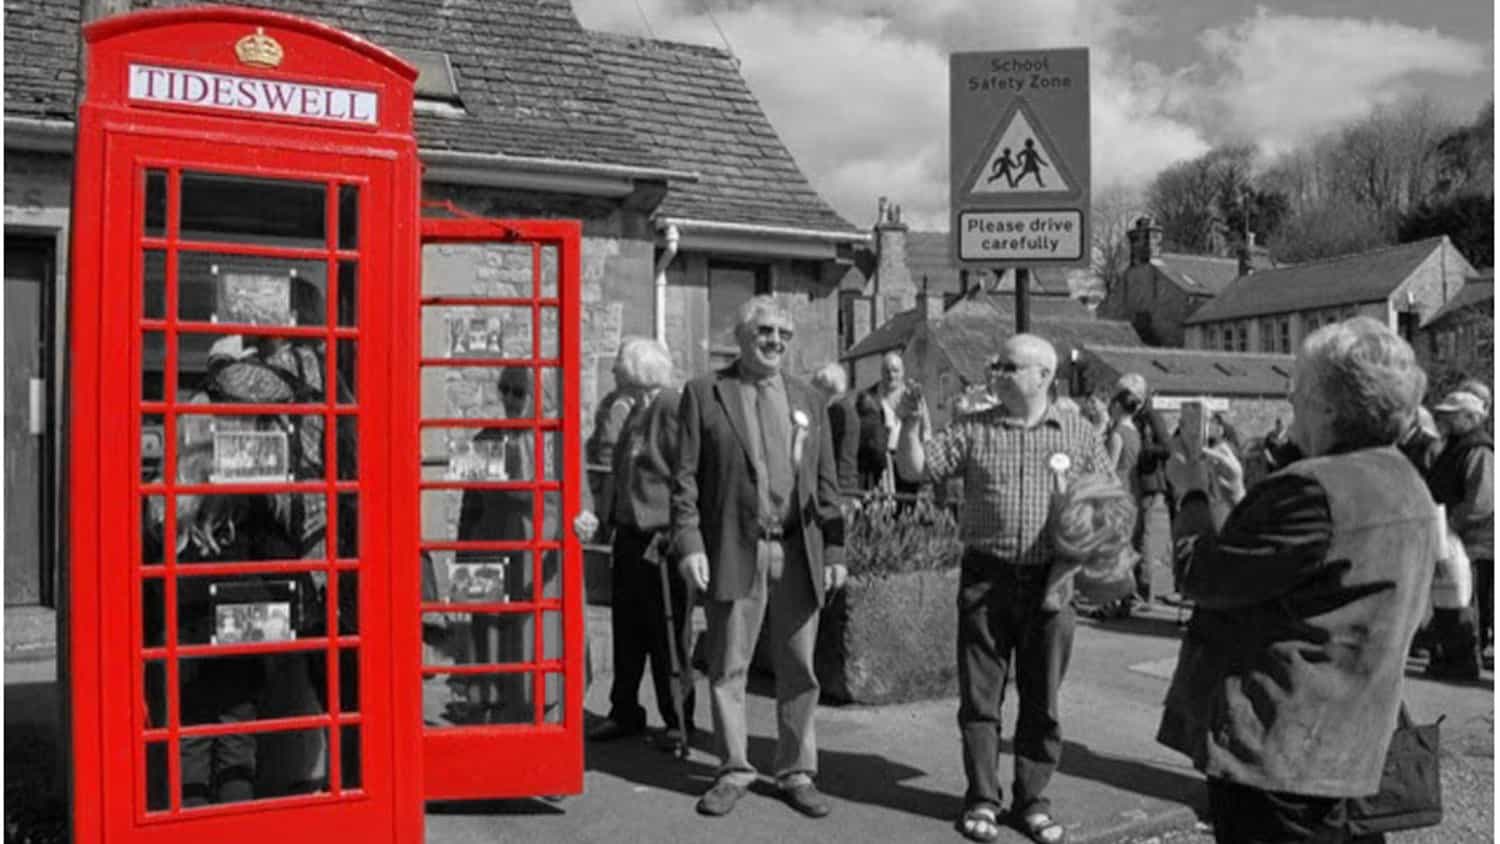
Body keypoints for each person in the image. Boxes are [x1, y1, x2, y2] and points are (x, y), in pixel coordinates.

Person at [1158, 317, 1442, 844]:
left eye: (1299, 392)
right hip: (1351, 743)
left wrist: (1191, 493)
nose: (1291, 403)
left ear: (1330, 407)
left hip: (1283, 748)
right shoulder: (1405, 482)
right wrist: (1246, 500)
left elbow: (1200, 575)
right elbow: (1324, 574)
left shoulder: (1312, 486)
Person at [893, 334, 1107, 844]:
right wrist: (907, 422)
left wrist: (1072, 565)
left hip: (1051, 581)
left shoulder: (1077, 434)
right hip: (987, 578)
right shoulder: (974, 429)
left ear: (1043, 376)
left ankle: (1032, 800)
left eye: (1009, 366)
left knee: (1042, 699)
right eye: (997, 365)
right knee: (980, 699)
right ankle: (982, 800)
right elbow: (914, 469)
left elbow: (1106, 508)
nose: (997, 373)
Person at [670, 295, 848, 819]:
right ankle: (734, 769)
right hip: (734, 547)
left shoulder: (810, 400)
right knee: (728, 666)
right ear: (742, 335)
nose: (775, 342)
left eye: (783, 335)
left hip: (797, 549)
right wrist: (689, 543)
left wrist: (836, 548)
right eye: (765, 331)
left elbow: (829, 483)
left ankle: (796, 770)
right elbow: (682, 480)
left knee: (799, 669)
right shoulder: (705, 394)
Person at [574, 338, 697, 747]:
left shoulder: (668, 405)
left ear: (639, 370)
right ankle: (624, 711)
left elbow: (684, 471)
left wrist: (675, 529)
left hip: (658, 537)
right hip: (628, 537)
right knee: (627, 630)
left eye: (619, 367)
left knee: (667, 636)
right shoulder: (634, 409)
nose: (613, 373)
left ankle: (678, 720)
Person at [454, 366, 561, 723]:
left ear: (541, 397)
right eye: (506, 390)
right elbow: (468, 505)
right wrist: (462, 560)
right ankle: (488, 698)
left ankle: (539, 701)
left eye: (520, 392)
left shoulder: (554, 441)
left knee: (535, 631)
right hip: (491, 543)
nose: (510, 400)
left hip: (538, 551)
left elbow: (574, 498)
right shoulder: (486, 439)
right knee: (489, 629)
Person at [1424, 384, 1493, 680]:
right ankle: (1452, 657)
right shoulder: (1457, 448)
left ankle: (1465, 661)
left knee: (1467, 602)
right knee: (1451, 599)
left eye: (1453, 416)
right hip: (1455, 538)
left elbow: (1482, 500)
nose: (1447, 421)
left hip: (1474, 542)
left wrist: (1451, 523)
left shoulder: (1477, 450)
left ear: (1470, 417)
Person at [1114, 374, 1173, 607]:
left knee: (1144, 538)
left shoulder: (1150, 416)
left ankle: (1143, 589)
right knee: (1137, 536)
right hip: (1139, 482)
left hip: (1151, 482)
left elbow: (1167, 447)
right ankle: (1136, 589)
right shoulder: (1136, 417)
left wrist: (1145, 452)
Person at [585, 341, 642, 542]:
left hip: (613, 485)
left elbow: (608, 445)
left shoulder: (623, 404)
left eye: (619, 361)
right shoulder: (614, 401)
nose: (613, 369)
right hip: (607, 483)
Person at [859, 352, 927, 496]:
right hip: (878, 461)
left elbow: (926, 429)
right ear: (881, 373)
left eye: (895, 370)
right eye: (887, 371)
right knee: (881, 504)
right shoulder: (869, 397)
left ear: (903, 372)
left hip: (907, 458)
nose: (891, 375)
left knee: (908, 502)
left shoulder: (912, 396)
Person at [812, 362, 862, 494]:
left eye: (816, 386)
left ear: (827, 387)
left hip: (839, 487)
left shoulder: (839, 412)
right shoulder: (841, 408)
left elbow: (842, 459)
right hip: (840, 485)